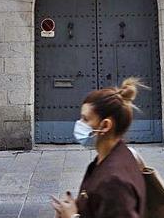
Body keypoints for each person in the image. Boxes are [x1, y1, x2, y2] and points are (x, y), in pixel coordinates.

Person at [51, 78, 146, 218]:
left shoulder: (114, 182)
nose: (79, 124)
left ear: (106, 125)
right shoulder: (117, 155)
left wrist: (72, 217)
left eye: (85, 119)